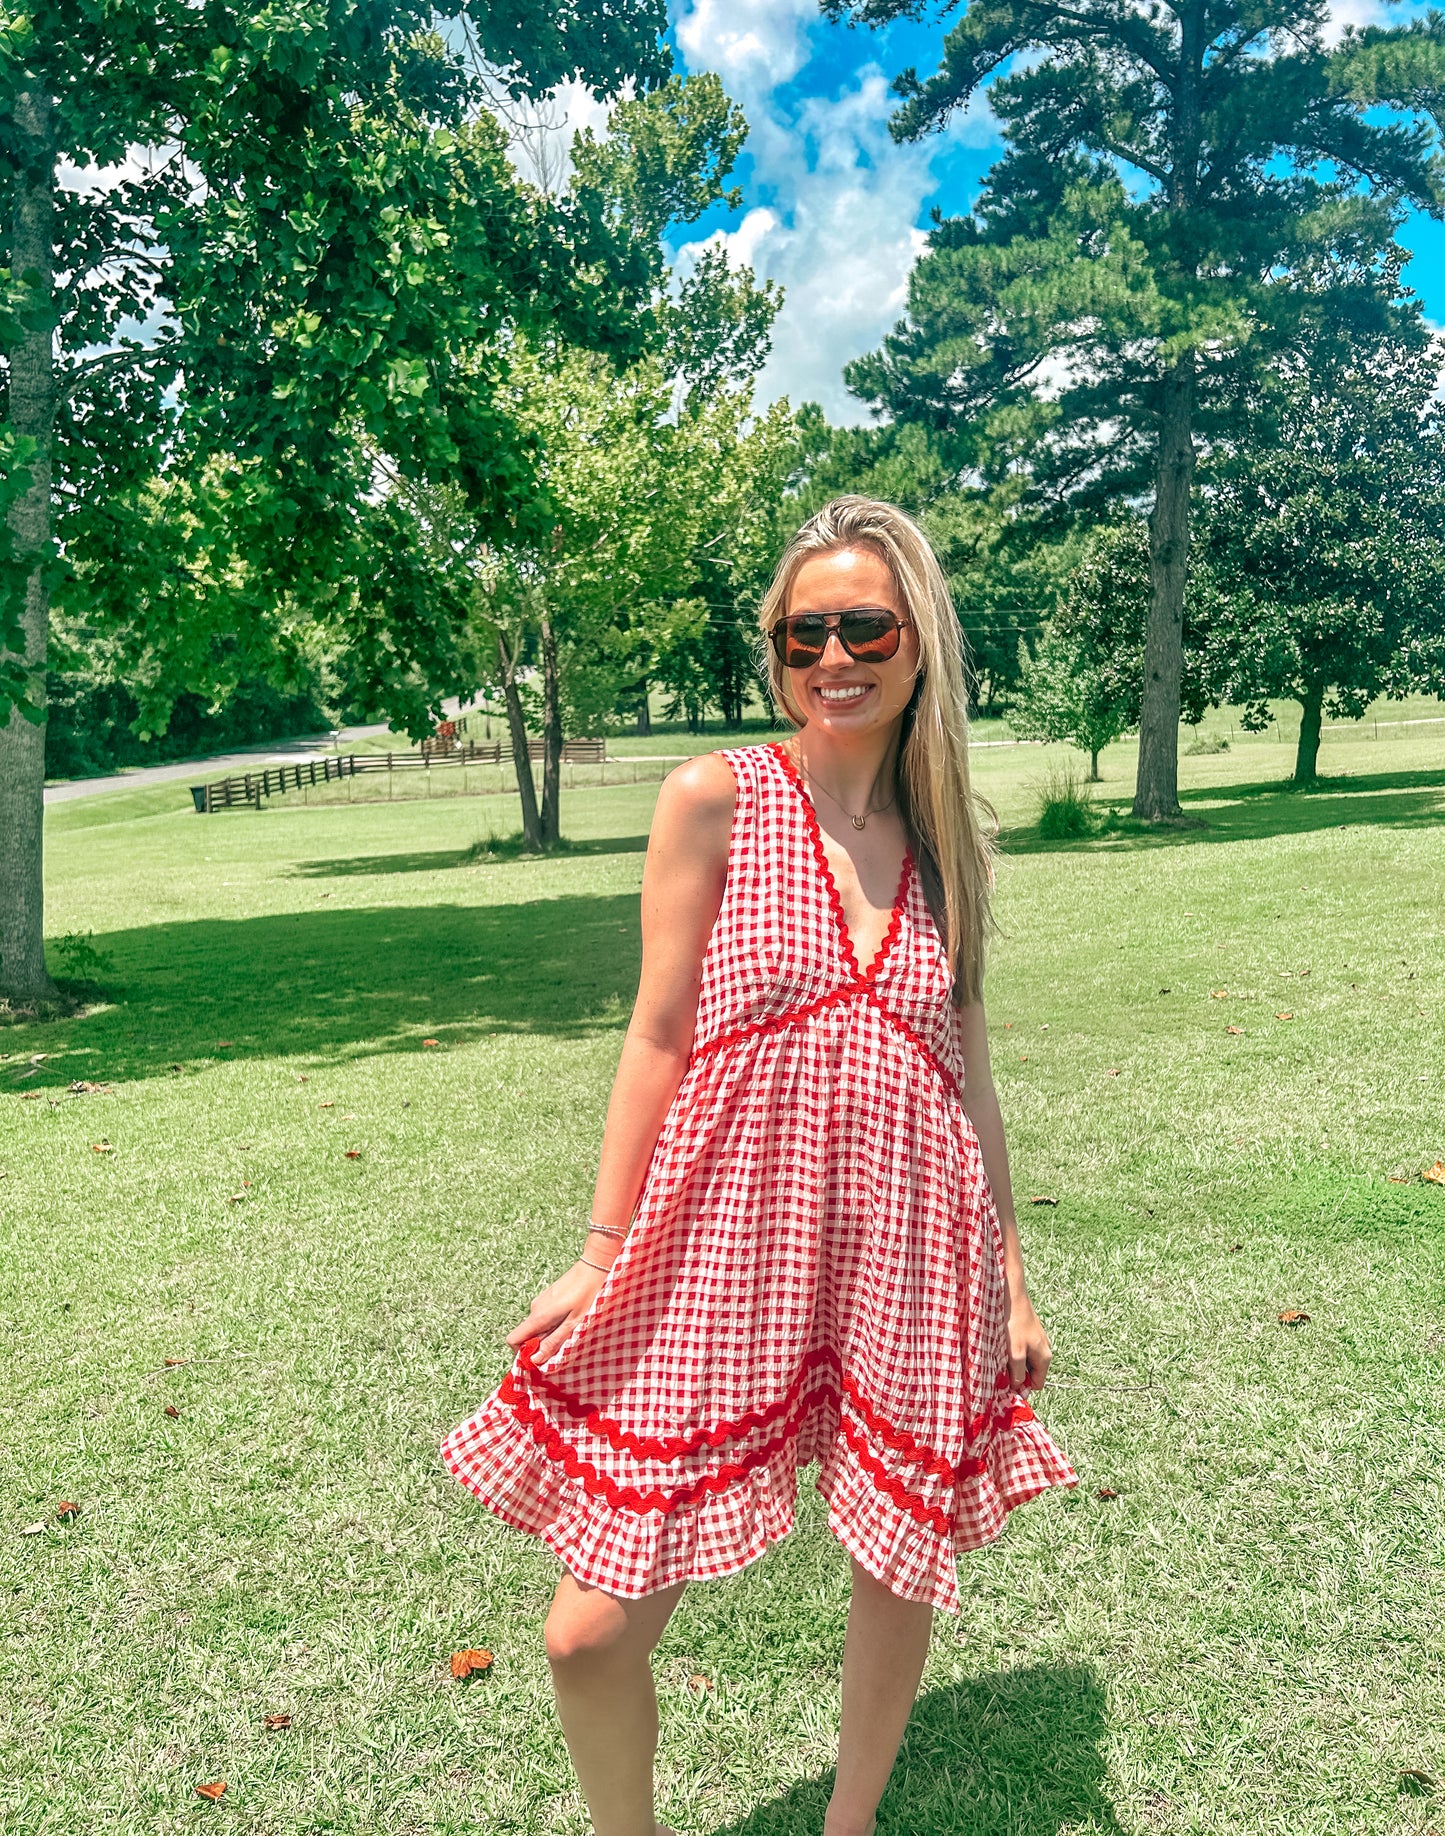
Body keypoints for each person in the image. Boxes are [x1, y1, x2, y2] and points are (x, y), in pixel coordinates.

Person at [441, 496, 1076, 1836]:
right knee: (587, 1633)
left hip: (910, 1244)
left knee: (895, 1550)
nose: (830, 656)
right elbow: (658, 1031)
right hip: (722, 1250)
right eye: (802, 634)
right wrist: (603, 1247)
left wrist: (1010, 1273)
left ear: (918, 644)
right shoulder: (716, 797)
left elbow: (967, 1076)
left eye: (863, 626)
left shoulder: (944, 841)